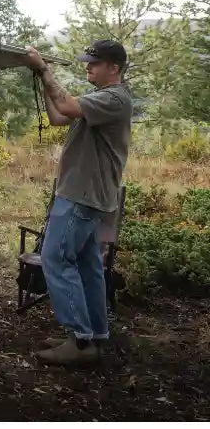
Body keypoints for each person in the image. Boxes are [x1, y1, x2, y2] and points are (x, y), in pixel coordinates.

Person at [21, 39, 133, 367]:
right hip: (86, 194)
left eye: (94, 63)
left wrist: (43, 68)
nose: (88, 66)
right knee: (87, 267)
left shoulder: (114, 98)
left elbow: (67, 107)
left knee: (55, 258)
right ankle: (94, 336)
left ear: (113, 67)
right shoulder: (100, 99)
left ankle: (80, 340)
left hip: (81, 196)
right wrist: (41, 79)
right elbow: (59, 117)